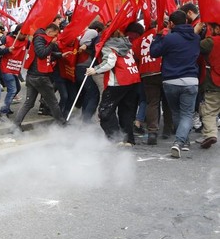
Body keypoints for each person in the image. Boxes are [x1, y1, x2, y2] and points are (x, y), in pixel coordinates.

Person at [150, 10, 200, 158]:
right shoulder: (195, 38)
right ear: (186, 21)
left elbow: (153, 52)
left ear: (171, 23)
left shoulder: (168, 38)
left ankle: (181, 141)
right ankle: (181, 142)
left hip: (170, 81)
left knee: (177, 112)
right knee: (187, 114)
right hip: (191, 80)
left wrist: (158, 36)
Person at [86, 31, 141, 146]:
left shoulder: (109, 46)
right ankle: (128, 139)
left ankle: (115, 138)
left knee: (105, 111)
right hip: (132, 80)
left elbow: (109, 63)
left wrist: (95, 70)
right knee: (126, 111)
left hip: (117, 82)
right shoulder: (126, 45)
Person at [13, 23, 69, 128]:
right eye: (54, 35)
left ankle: (15, 125)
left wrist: (60, 55)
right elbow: (42, 54)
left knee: (29, 103)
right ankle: (62, 124)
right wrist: (52, 44)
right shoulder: (40, 38)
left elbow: (46, 55)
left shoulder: (41, 38)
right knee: (52, 102)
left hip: (33, 76)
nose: (55, 38)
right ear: (49, 32)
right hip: (40, 76)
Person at [197, 22, 220, 149]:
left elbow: (196, 46)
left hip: (213, 83)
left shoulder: (211, 42)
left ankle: (210, 134)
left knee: (209, 112)